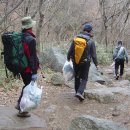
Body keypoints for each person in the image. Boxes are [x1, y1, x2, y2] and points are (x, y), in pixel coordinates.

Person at [15, 16, 39, 117]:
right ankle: (22, 109)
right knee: (28, 88)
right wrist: (34, 72)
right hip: (28, 68)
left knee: (26, 86)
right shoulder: (30, 39)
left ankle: (19, 105)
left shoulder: (20, 37)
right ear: (30, 27)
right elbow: (32, 57)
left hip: (21, 66)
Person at [67, 23, 98, 101]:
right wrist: (96, 64)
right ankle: (80, 92)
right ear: (90, 31)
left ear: (83, 30)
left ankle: (77, 91)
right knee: (84, 78)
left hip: (75, 61)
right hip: (85, 62)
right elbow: (93, 55)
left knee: (77, 76)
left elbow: (70, 50)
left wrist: (68, 57)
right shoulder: (90, 41)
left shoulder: (76, 39)